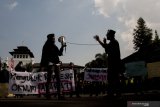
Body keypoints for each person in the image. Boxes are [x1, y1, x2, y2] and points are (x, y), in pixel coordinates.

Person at [94, 29, 122, 98]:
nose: (106, 35)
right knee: (113, 78)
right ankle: (114, 93)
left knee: (113, 78)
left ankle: (114, 94)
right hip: (113, 64)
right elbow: (107, 50)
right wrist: (104, 43)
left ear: (111, 35)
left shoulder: (114, 42)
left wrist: (99, 40)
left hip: (114, 64)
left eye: (107, 34)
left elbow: (106, 48)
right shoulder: (113, 42)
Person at [40, 33, 66, 100]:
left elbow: (59, 54)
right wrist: (48, 62)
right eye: (53, 38)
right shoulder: (46, 46)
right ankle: (48, 94)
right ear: (50, 38)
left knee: (58, 79)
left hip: (56, 64)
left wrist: (62, 46)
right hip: (50, 64)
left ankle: (59, 95)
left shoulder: (54, 45)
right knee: (49, 79)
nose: (54, 39)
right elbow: (45, 56)